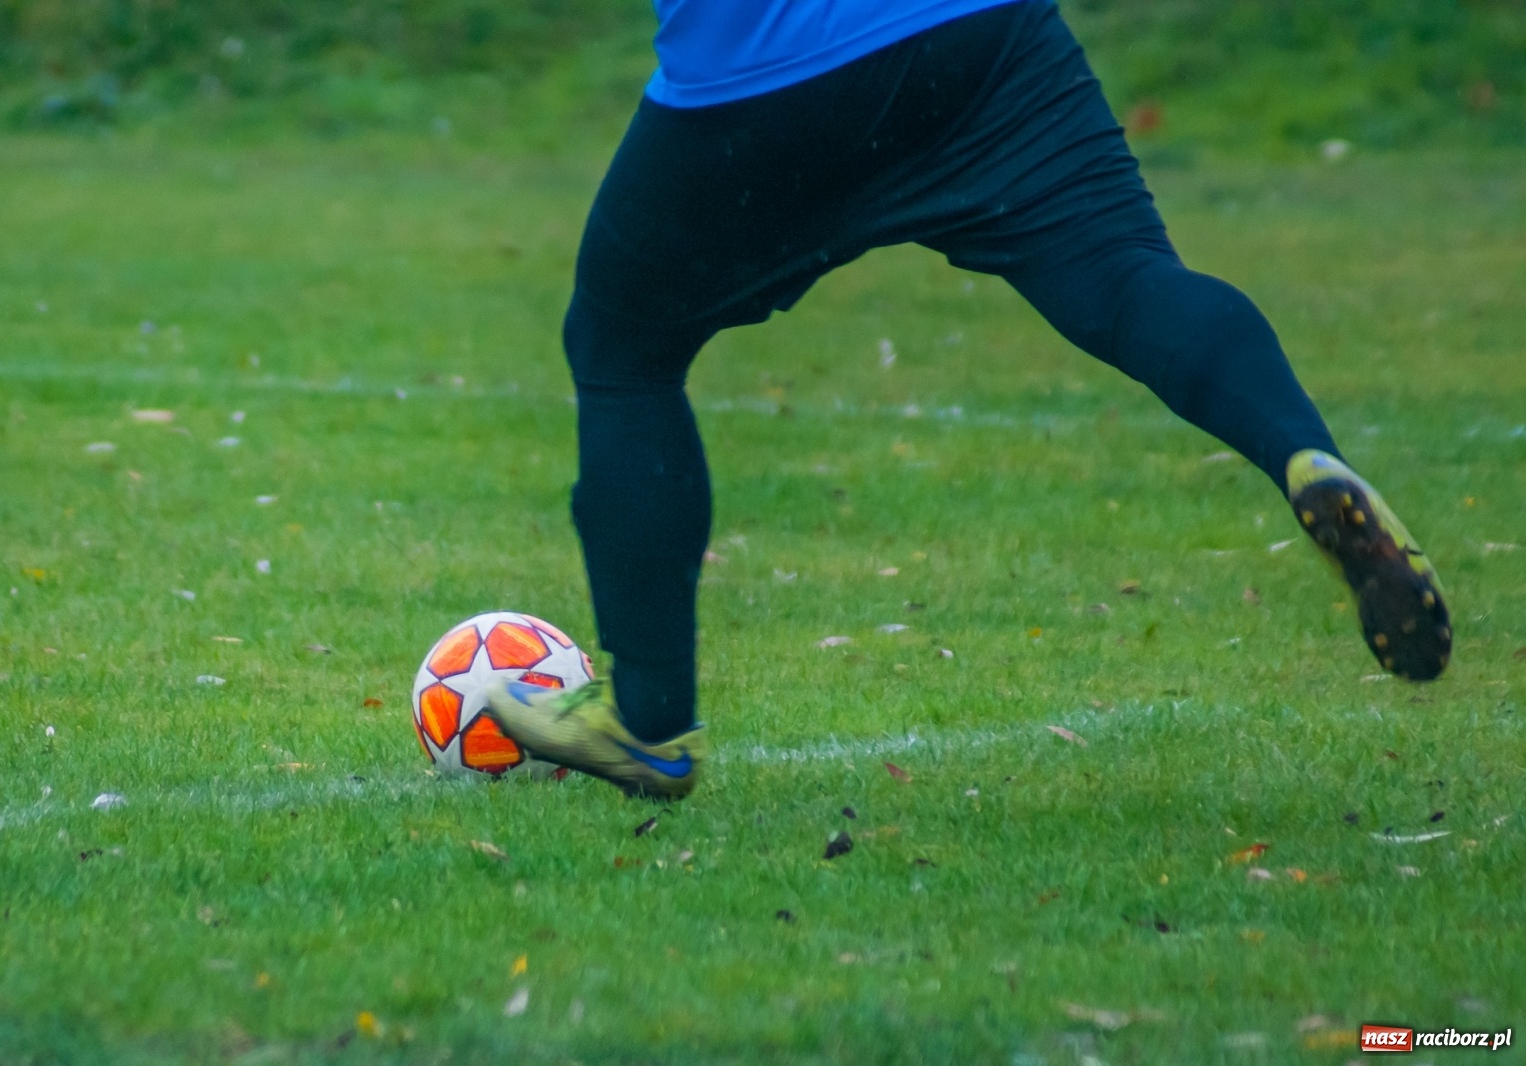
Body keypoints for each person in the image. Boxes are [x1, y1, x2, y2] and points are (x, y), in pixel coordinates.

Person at [488, 0, 1451, 798]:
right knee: (1123, 273)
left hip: (762, 74)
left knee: (623, 346)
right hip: (983, 41)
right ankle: (1303, 456)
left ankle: (650, 724)